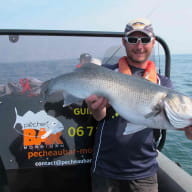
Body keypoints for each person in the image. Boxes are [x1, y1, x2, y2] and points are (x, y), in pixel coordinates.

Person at [85, 18, 192, 192]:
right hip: (105, 168)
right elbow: (99, 116)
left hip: (144, 172)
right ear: (124, 42)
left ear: (154, 42)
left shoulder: (162, 83)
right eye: (133, 40)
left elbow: (170, 116)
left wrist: (187, 125)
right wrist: (95, 108)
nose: (139, 46)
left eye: (145, 39)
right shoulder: (106, 74)